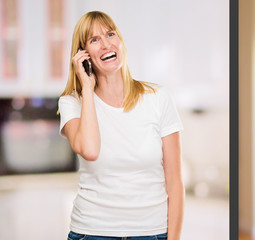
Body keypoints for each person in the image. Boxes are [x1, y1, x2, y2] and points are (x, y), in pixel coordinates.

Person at [58, 11, 183, 240]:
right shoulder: (72, 103)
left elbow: (175, 183)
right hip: (92, 232)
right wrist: (87, 88)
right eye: (94, 40)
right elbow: (90, 150)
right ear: (81, 55)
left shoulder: (159, 98)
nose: (106, 44)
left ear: (120, 40)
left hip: (152, 233)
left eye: (110, 34)